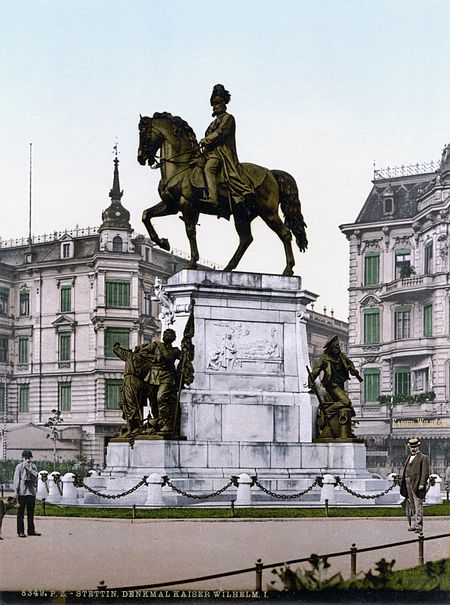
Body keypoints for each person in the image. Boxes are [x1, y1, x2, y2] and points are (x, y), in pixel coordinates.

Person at [199, 84, 255, 213]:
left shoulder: (228, 118)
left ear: (224, 104)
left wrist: (206, 140)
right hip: (211, 152)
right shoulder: (213, 122)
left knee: (209, 168)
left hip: (222, 153)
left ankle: (213, 198)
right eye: (213, 104)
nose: (215, 106)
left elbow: (220, 133)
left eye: (217, 103)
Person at [142, 329, 181, 435]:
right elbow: (143, 353)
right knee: (153, 400)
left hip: (167, 377)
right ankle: (157, 421)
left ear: (174, 338)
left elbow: (186, 358)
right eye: (166, 334)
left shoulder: (175, 351)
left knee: (161, 398)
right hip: (153, 376)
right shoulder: (156, 345)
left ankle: (166, 424)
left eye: (170, 335)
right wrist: (155, 358)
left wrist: (188, 347)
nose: (168, 336)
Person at [113, 342, 152, 438]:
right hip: (141, 383)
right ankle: (135, 425)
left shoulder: (132, 356)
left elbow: (117, 350)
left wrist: (117, 346)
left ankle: (133, 426)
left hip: (130, 380)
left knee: (129, 403)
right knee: (135, 403)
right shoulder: (148, 362)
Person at [400, 437, 430, 533]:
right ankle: (415, 524)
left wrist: (422, 484)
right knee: (412, 505)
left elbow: (425, 473)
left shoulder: (423, 457)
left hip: (417, 484)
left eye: (415, 446)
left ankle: (419, 526)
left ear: (418, 446)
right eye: (411, 447)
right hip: (408, 483)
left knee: (418, 505)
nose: (413, 448)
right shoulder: (409, 457)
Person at [13, 450, 40, 538]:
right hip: (22, 492)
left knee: (31, 512)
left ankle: (31, 530)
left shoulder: (33, 467)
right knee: (20, 513)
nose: (28, 460)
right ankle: (20, 531)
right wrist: (16, 491)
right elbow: (16, 479)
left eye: (29, 458)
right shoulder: (19, 466)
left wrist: (30, 470)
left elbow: (36, 477)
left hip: (31, 492)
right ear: (23, 458)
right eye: (26, 458)